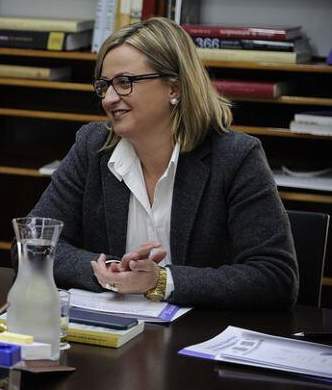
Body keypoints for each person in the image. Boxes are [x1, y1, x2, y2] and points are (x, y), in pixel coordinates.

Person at [30, 17, 298, 309]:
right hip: (116, 333)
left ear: (175, 88)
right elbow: (34, 243)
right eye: (104, 85)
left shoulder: (235, 157)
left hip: (198, 339)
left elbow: (276, 277)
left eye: (124, 82)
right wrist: (111, 272)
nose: (108, 98)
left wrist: (161, 281)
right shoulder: (92, 147)